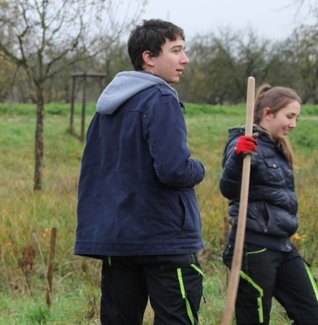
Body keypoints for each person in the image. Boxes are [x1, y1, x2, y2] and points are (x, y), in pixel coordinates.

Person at [74, 19, 205, 325]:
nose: (184, 59)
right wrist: (199, 169)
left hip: (117, 238)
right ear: (149, 57)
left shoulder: (106, 107)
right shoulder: (160, 98)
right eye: (176, 50)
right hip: (163, 237)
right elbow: (174, 170)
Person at [220, 84, 318, 324]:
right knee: (254, 319)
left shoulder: (277, 147)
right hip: (253, 247)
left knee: (312, 315)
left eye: (296, 118)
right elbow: (228, 188)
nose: (293, 124)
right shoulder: (242, 141)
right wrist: (237, 158)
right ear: (268, 113)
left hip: (283, 246)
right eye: (289, 116)